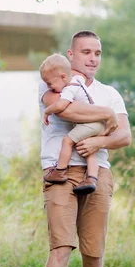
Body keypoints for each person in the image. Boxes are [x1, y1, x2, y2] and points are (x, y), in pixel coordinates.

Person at [39, 31, 132, 267]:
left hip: (98, 173)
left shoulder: (109, 93)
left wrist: (97, 143)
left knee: (93, 254)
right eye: (86, 52)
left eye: (97, 53)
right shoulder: (53, 79)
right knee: (61, 248)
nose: (92, 59)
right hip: (60, 171)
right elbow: (66, 110)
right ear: (71, 55)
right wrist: (105, 114)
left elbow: (125, 136)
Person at [39, 53, 104, 195]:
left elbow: (60, 105)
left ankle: (60, 171)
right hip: (96, 124)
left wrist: (47, 111)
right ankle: (92, 179)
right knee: (88, 151)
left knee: (67, 141)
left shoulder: (69, 89)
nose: (49, 87)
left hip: (89, 124)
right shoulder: (78, 81)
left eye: (50, 84)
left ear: (63, 77)